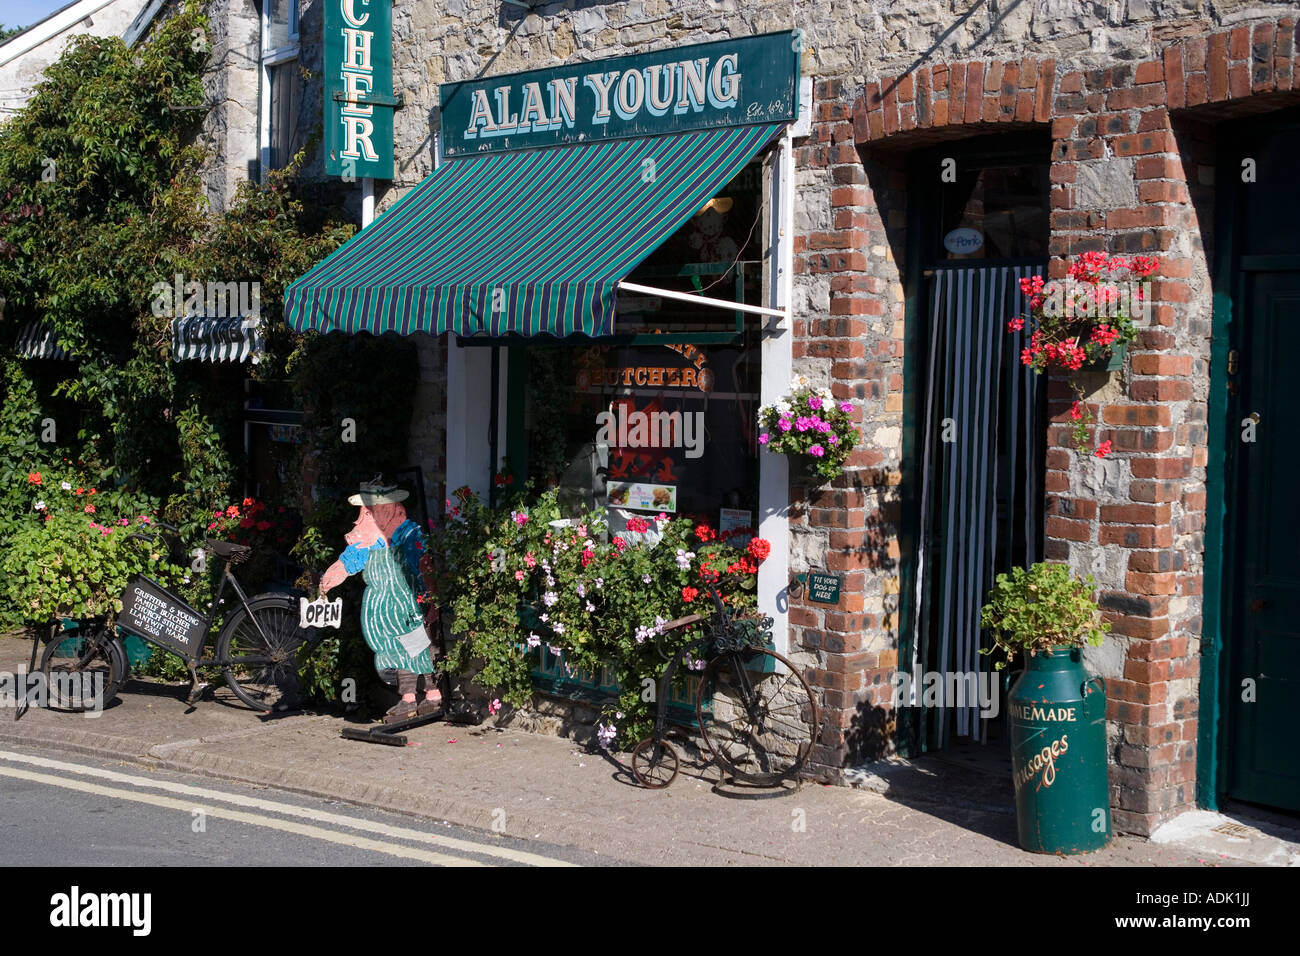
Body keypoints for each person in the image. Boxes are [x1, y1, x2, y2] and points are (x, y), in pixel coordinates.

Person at [319, 482, 440, 723]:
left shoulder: (408, 535)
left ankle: (428, 696)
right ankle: (412, 698)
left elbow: (424, 565)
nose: (359, 519)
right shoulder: (371, 540)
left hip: (408, 608)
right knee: (399, 651)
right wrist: (331, 576)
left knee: (414, 648)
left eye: (367, 511)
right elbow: (351, 559)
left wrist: (432, 598)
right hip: (386, 616)